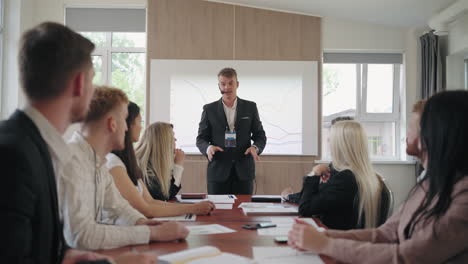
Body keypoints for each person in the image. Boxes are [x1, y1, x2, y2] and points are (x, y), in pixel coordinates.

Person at [0, 22, 155, 264]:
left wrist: (64, 256)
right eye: (92, 81)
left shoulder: (33, 145)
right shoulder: (14, 153)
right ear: (79, 83)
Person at [288, 90, 468, 263]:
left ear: (435, 134)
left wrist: (326, 244)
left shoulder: (463, 197)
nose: (406, 134)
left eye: (414, 127)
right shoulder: (428, 183)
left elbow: (406, 258)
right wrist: (325, 235)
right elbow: (385, 234)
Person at [60, 86, 189, 250]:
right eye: (125, 120)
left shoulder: (98, 162)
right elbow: (82, 236)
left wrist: (144, 223)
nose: (127, 128)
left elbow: (118, 208)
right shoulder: (73, 161)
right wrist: (150, 233)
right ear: (112, 124)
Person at [108, 103, 215, 216]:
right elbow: (154, 203)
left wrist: (193, 207)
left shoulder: (129, 162)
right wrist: (193, 208)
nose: (141, 127)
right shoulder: (116, 163)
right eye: (139, 122)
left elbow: (151, 201)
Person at [196, 67, 267, 194]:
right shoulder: (209, 109)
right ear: (219, 86)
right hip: (218, 171)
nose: (227, 87)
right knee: (217, 212)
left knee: (243, 211)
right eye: (223, 84)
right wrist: (208, 148)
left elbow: (260, 135)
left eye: (230, 83)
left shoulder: (250, 107)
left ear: (237, 84)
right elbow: (201, 139)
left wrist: (255, 147)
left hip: (244, 171)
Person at [281, 116, 354, 203]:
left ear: (341, 141)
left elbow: (309, 204)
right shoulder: (336, 166)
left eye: (331, 136)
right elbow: (315, 196)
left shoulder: (344, 176)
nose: (328, 140)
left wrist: (314, 174)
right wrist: (289, 197)